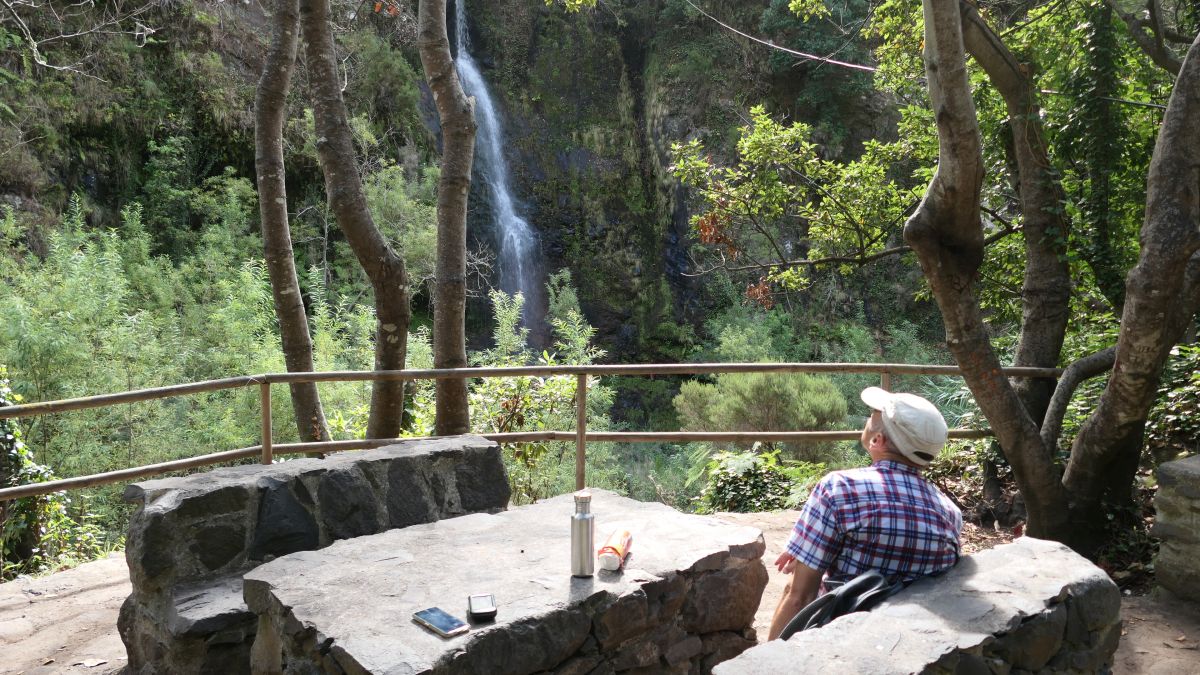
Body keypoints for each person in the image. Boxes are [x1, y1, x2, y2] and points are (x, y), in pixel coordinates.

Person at [766, 387, 963, 640]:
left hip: (839, 636)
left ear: (877, 440)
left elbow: (799, 598)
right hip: (911, 638)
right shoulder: (950, 513)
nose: (867, 420)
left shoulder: (840, 488)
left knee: (795, 585)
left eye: (872, 415)